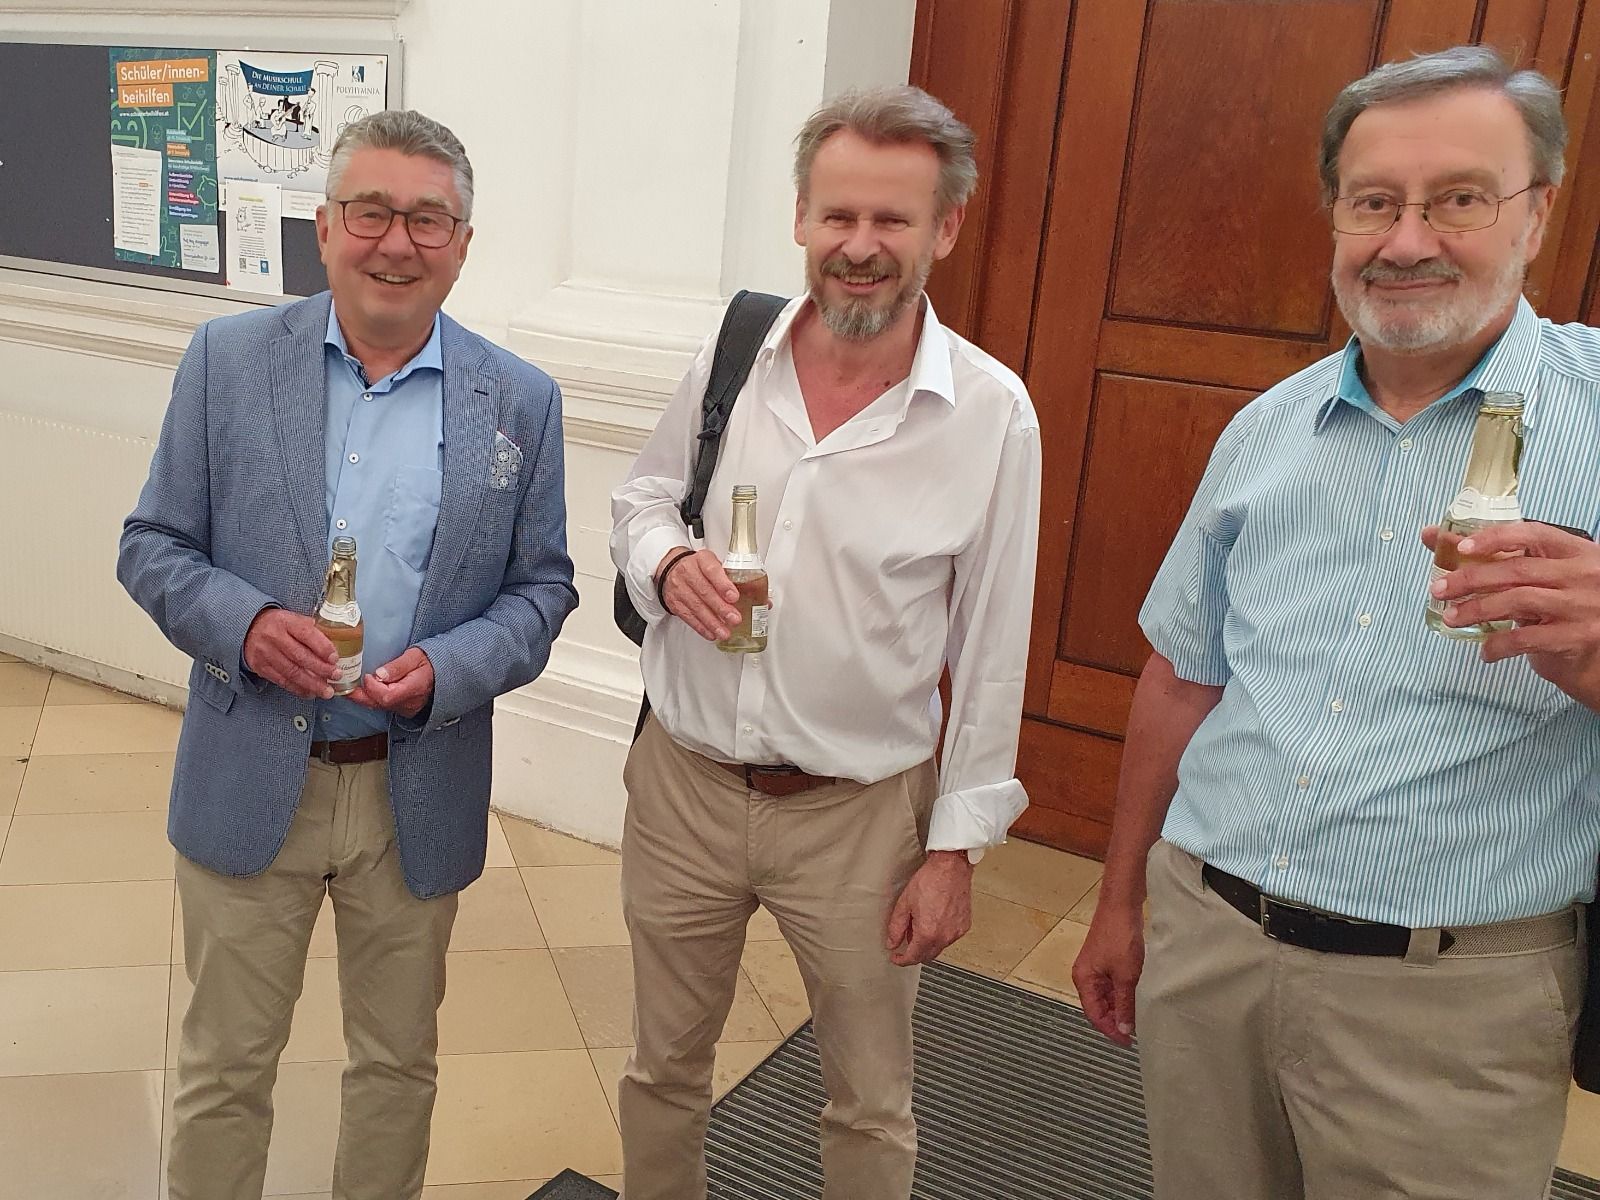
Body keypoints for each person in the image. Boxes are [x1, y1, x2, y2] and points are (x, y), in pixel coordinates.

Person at [1073, 45, 1600, 1200]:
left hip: (1447, 1007)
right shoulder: (1266, 429)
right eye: (1372, 203)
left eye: (1458, 199)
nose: (1405, 241)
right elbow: (1182, 675)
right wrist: (1119, 900)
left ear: (1537, 214)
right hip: (1209, 949)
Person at [119, 109, 577, 1200]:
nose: (396, 242)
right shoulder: (229, 363)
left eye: (427, 219)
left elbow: (543, 590)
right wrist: (242, 625)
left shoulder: (520, 400)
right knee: (224, 1067)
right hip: (250, 772)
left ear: (462, 244)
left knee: (396, 1068)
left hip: (413, 787)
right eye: (370, 212)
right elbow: (152, 545)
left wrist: (450, 669)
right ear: (323, 228)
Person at [609, 85, 1041, 1200]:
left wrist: (954, 853)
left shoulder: (991, 414)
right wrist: (666, 562)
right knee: (663, 1071)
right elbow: (644, 498)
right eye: (838, 215)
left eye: (893, 219)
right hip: (685, 787)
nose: (860, 246)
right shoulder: (732, 355)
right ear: (800, 215)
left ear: (946, 228)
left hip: (860, 821)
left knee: (869, 1102)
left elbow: (993, 650)